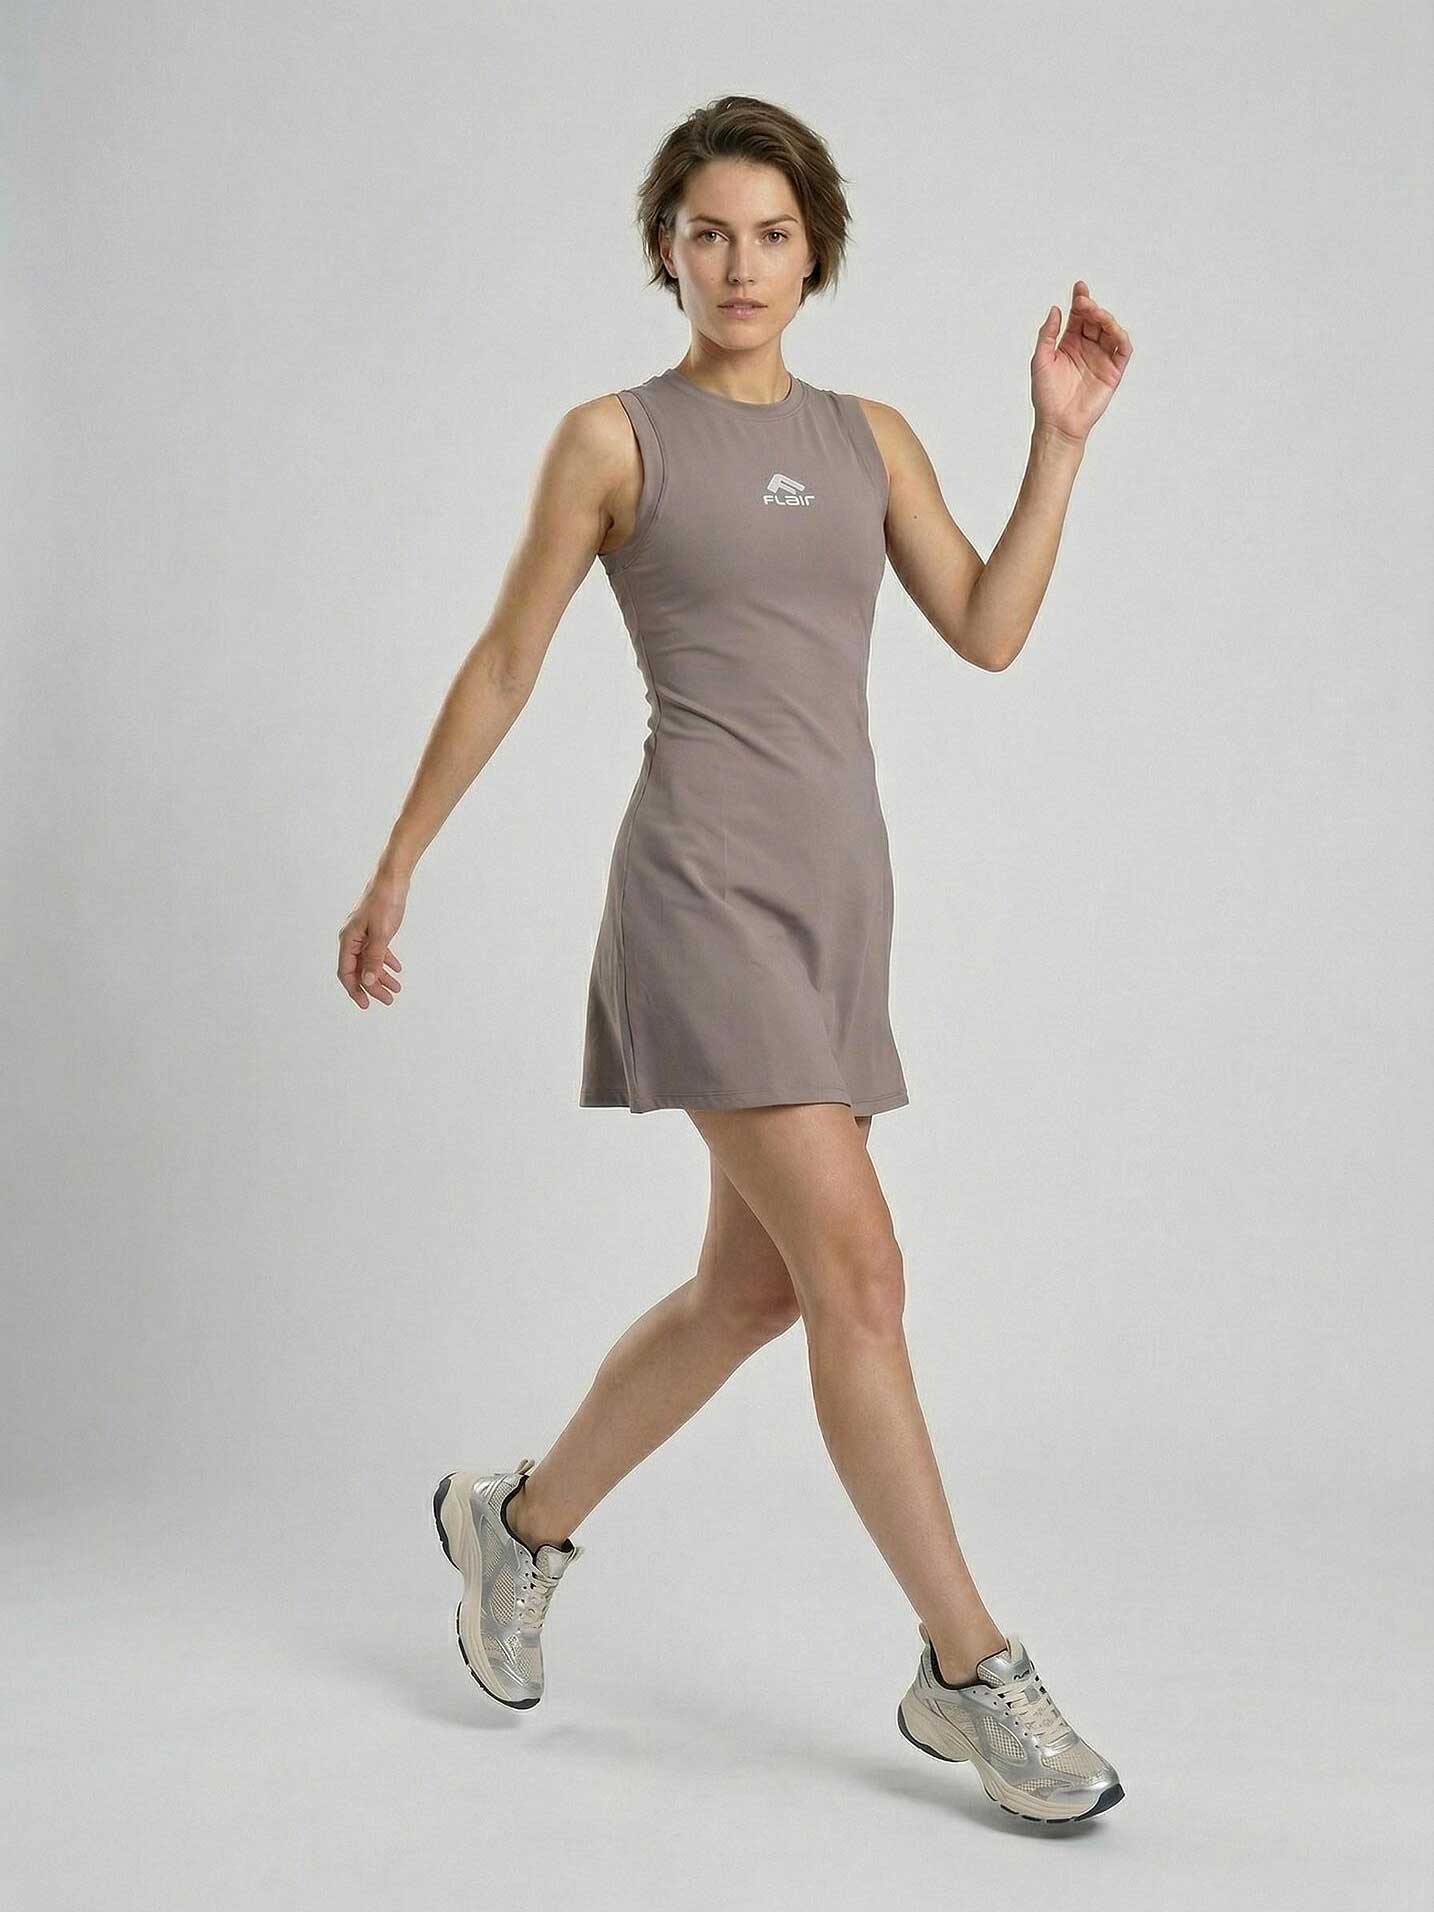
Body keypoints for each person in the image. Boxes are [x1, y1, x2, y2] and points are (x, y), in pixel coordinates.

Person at [338, 95, 1133, 1825]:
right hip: (696, 896)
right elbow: (504, 660)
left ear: (813, 251)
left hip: (837, 903)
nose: (740, 263)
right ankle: (968, 1669)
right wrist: (399, 863)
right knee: (860, 1276)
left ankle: (516, 1525)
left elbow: (987, 628)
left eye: (771, 234)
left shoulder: (869, 439)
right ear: (666, 251)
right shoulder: (611, 440)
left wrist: (1056, 441)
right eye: (707, 233)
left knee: (752, 1294)